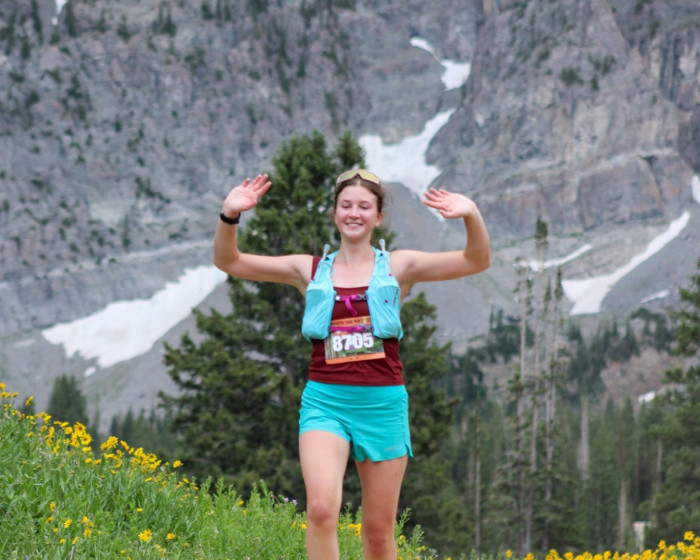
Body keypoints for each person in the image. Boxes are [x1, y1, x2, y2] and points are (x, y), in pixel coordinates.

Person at [213, 169, 490, 560]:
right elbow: (229, 261)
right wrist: (230, 214)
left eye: (364, 206)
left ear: (378, 217)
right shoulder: (308, 270)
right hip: (325, 404)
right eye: (346, 205)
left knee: (377, 535)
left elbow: (476, 260)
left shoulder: (400, 267)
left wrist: (471, 214)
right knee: (321, 511)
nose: (354, 213)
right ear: (334, 213)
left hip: (383, 407)